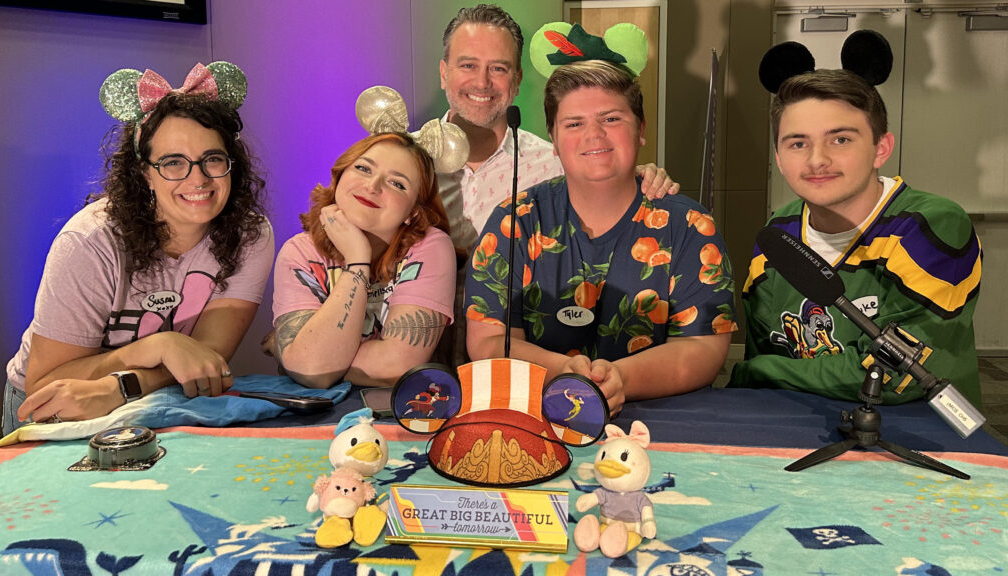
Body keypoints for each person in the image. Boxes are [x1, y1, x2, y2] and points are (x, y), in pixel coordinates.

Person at [464, 25, 737, 417]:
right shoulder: (515, 223)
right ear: (553, 140)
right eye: (574, 124)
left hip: (663, 422)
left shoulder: (691, 226)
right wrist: (564, 373)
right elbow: (489, 340)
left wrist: (619, 379)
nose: (593, 135)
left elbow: (705, 347)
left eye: (611, 119)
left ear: (640, 130)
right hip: (537, 417)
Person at [6, 62, 274, 434]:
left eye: (212, 159)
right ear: (144, 172)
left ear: (232, 165)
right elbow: (46, 382)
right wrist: (156, 347)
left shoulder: (251, 234)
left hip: (157, 398)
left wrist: (122, 386)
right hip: (58, 408)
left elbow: (206, 361)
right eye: (173, 163)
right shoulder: (89, 242)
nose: (198, 178)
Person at [730, 32, 983, 407]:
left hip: (922, 438)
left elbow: (900, 374)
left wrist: (763, 372)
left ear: (881, 148)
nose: (817, 160)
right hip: (799, 426)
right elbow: (765, 350)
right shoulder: (777, 233)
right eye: (798, 143)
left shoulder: (932, 225)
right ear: (780, 159)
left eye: (841, 139)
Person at [437, 4, 679, 367]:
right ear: (444, 73)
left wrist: (636, 175)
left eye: (498, 68)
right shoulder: (399, 163)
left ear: (517, 80)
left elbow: (605, 179)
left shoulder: (554, 161)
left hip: (524, 370)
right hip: (413, 365)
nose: (482, 82)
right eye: (468, 65)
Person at [270, 90, 461, 388]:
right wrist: (358, 260)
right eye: (363, 168)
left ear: (412, 211)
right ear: (340, 176)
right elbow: (310, 367)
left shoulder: (431, 247)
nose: (372, 186)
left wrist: (309, 357)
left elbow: (397, 367)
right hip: (312, 419)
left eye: (397, 183)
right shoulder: (298, 252)